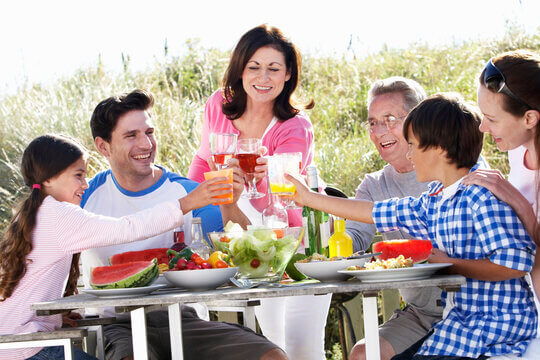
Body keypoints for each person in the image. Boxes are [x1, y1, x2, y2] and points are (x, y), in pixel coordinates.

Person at [287, 93, 537, 359]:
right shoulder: (435, 199)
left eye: (414, 146)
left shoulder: (480, 197)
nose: (409, 154)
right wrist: (309, 198)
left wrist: (450, 262)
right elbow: (374, 211)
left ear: (439, 148)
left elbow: (515, 263)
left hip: (496, 325)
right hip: (462, 321)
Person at [81, 89, 287, 360]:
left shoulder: (187, 192)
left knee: (271, 356)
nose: (146, 144)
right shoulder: (85, 196)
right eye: (131, 136)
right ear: (103, 146)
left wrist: (229, 203)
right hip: (118, 325)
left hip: (186, 319)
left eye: (150, 132)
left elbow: (248, 254)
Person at [0, 134, 231, 360]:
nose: (86, 184)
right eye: (78, 176)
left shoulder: (34, 212)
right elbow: (126, 228)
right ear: (49, 179)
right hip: (29, 348)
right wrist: (187, 203)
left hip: (15, 341)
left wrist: (51, 317)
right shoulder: (59, 214)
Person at [187, 24, 329, 360]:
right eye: (254, 66)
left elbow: (285, 197)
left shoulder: (295, 125)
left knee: (303, 348)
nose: (263, 77)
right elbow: (203, 160)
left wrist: (261, 180)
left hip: (295, 246)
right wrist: (188, 199)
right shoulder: (218, 105)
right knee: (275, 345)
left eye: (273, 68)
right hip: (248, 242)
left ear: (287, 74)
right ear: (240, 68)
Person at [345, 77, 444, 360]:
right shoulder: (374, 186)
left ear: (417, 120)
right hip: (421, 314)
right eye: (373, 122)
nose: (379, 131)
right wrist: (329, 232)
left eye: (389, 119)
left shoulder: (450, 165)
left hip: (468, 304)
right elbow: (354, 239)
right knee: (363, 354)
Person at [462, 49, 540, 359]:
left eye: (491, 118)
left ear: (530, 118)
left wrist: (517, 202)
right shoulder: (516, 154)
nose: (482, 127)